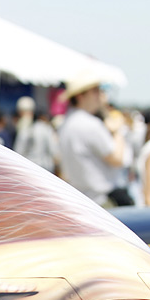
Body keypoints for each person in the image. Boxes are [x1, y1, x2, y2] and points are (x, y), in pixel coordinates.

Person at [57, 69, 131, 207]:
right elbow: (117, 159)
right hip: (102, 201)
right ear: (81, 96)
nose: (101, 95)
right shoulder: (90, 124)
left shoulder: (65, 124)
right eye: (95, 91)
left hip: (80, 199)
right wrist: (117, 131)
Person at [13, 96, 59, 173]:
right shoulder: (46, 128)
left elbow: (18, 151)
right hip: (46, 169)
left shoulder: (24, 129)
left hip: (29, 169)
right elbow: (54, 150)